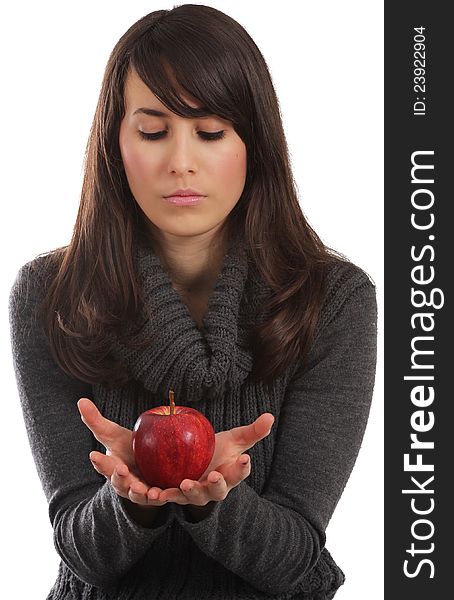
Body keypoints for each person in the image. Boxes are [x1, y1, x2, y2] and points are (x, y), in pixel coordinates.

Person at [8, 4, 377, 600]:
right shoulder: (50, 296)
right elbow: (81, 554)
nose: (181, 162)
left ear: (254, 143)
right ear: (114, 144)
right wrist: (130, 502)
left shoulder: (331, 302)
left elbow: (296, 562)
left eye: (210, 133)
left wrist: (217, 506)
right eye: (153, 132)